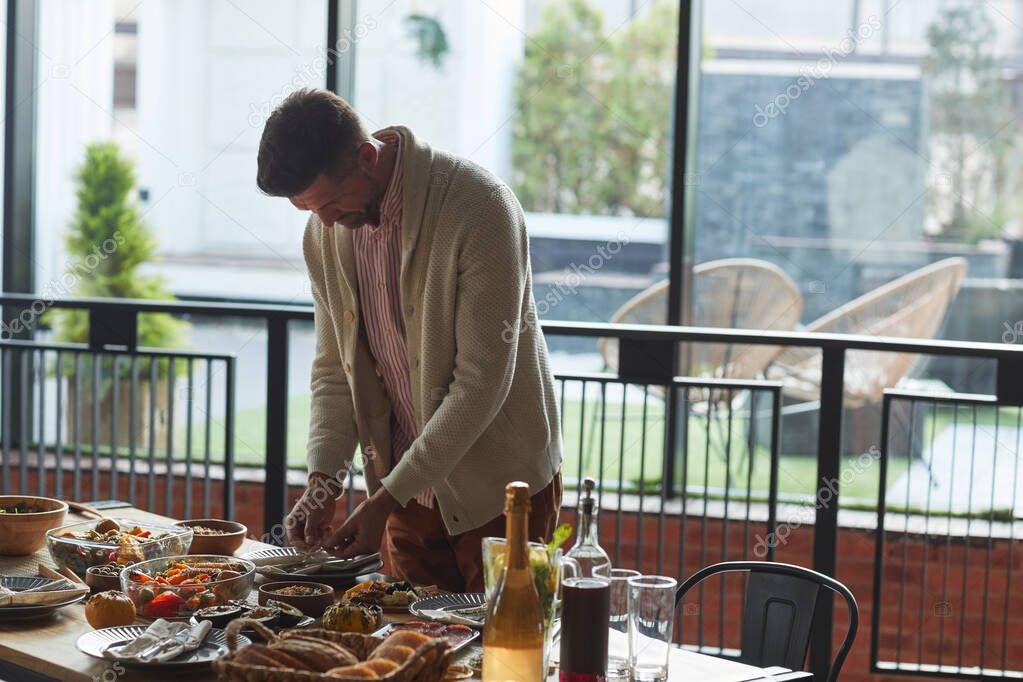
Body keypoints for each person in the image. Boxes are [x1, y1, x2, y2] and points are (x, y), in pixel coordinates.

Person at [256, 89, 563, 592]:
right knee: (413, 657)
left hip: (501, 494)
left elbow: (480, 382)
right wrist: (322, 481)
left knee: (504, 657)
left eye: (331, 204)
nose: (326, 223)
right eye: (310, 211)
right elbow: (334, 370)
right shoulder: (324, 235)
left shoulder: (479, 207)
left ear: (367, 157)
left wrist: (385, 500)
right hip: (406, 501)